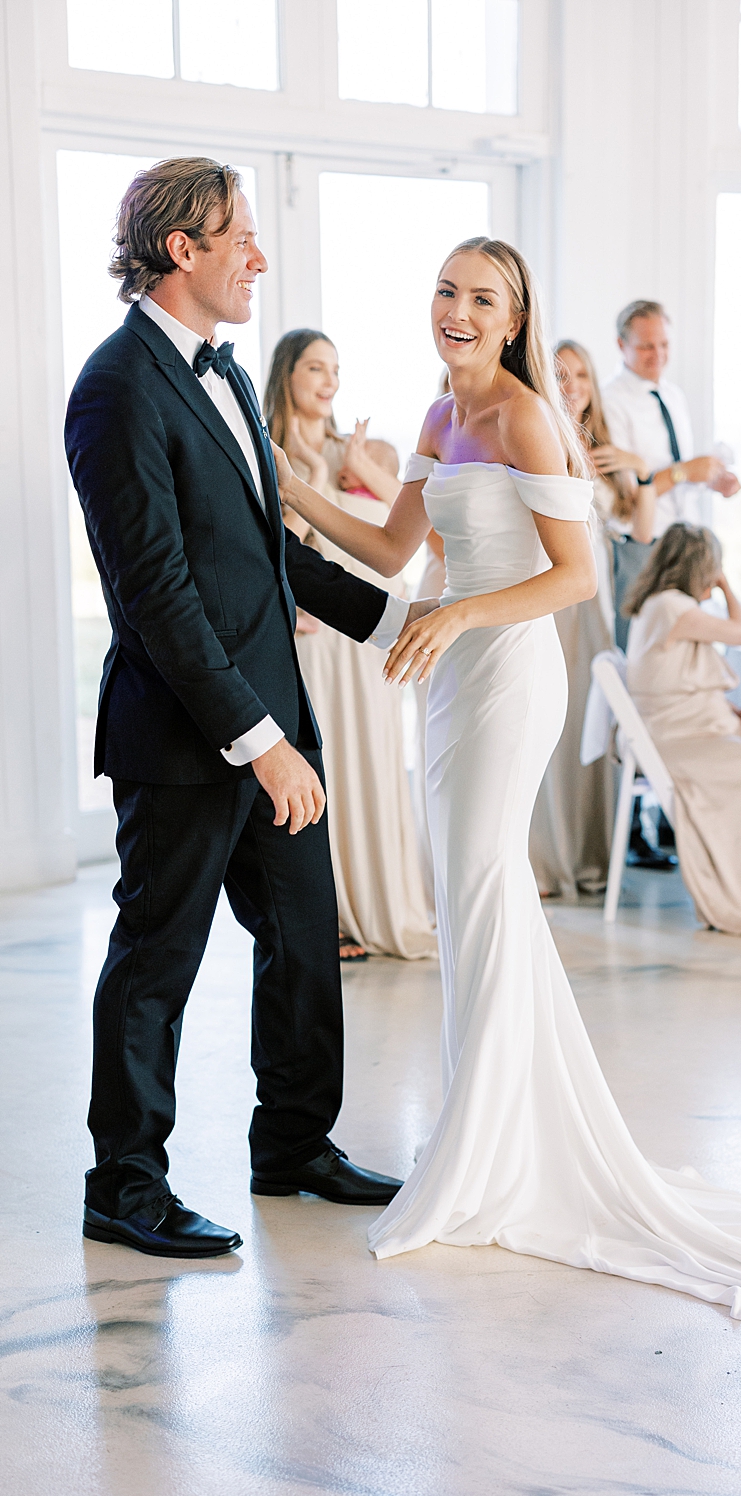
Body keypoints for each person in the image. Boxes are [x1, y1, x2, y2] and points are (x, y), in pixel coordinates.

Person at [273, 235, 741, 1320]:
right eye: (446, 290)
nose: (459, 309)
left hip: (507, 668)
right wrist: (288, 487)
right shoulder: (437, 416)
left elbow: (574, 578)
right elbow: (389, 551)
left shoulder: (527, 417)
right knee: (466, 891)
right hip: (444, 672)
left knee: (484, 881)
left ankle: (484, 1158)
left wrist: (462, 612)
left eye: (483, 297)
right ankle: (494, 1134)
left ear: (517, 318)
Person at [64, 157, 407, 1259]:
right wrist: (258, 744)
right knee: (156, 963)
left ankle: (294, 1144)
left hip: (274, 722)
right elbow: (157, 594)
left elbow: (264, 554)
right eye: (240, 236)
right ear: (184, 250)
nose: (258, 256)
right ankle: (123, 1183)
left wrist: (400, 625)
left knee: (305, 942)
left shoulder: (225, 378)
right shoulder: (115, 388)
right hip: (187, 739)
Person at [263, 328, 437, 962]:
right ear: (287, 375)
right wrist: (306, 475)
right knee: (325, 767)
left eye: (335, 368)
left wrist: (360, 468)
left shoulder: (369, 451)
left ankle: (384, 904)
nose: (328, 380)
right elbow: (277, 547)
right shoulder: (270, 453)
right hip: (315, 641)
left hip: (368, 634)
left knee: (374, 758)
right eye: (315, 368)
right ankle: (328, 913)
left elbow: (409, 533)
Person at [624, 524, 741, 935]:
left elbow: (674, 679)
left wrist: (726, 711)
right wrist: (728, 585)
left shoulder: (657, 604)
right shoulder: (672, 606)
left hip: (679, 729)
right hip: (676, 740)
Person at [524, 339, 631, 899]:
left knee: (591, 716)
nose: (573, 387)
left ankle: (592, 853)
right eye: (562, 376)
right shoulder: (539, 435)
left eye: (583, 377)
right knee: (552, 721)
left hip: (599, 601)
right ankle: (546, 855)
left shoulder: (605, 450)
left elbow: (641, 523)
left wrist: (636, 471)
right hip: (557, 592)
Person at [597, 299, 740, 644]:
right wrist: (684, 471)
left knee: (680, 646)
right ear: (621, 345)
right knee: (639, 643)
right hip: (641, 542)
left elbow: (679, 476)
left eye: (664, 344)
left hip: (682, 540)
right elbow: (626, 496)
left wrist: (709, 480)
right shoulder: (610, 402)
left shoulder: (673, 396)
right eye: (646, 345)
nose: (657, 354)